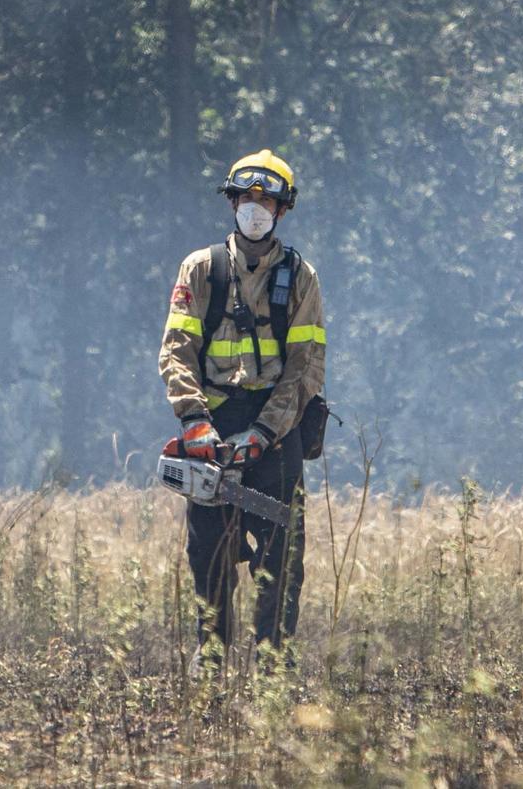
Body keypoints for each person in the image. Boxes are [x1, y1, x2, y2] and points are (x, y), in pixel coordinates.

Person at [159, 150, 326, 673]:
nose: (256, 209)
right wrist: (194, 420)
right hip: (211, 428)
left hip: (274, 437)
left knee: (282, 556)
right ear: (232, 202)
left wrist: (264, 432)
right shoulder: (201, 268)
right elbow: (175, 350)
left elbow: (306, 368)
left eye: (267, 201)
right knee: (208, 553)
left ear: (282, 210)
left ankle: (274, 668)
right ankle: (209, 662)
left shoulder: (301, 278)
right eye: (247, 198)